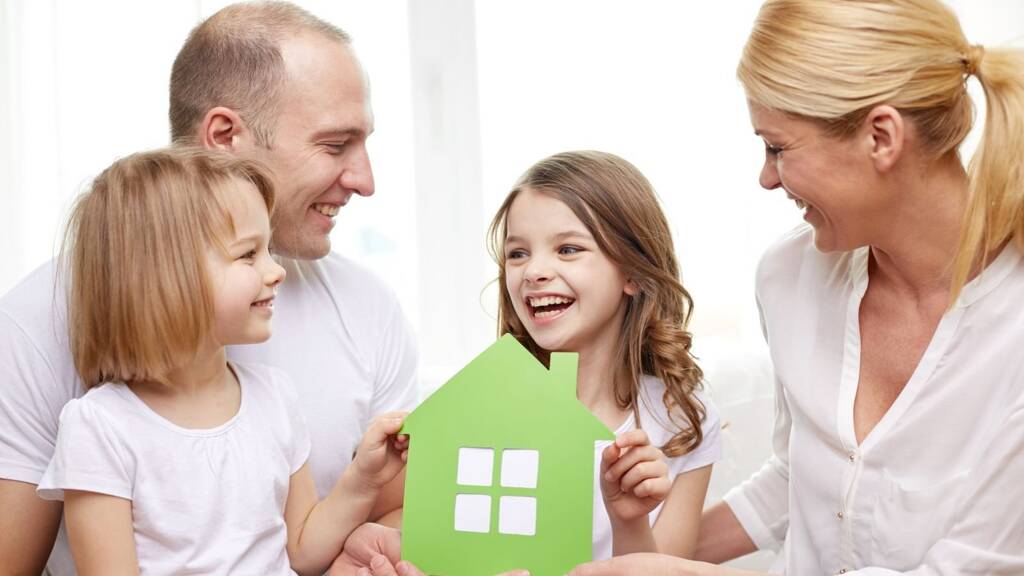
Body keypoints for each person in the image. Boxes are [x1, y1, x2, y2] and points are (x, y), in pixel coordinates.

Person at [570, 0, 1024, 574]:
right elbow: (796, 480)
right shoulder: (789, 276)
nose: (766, 177)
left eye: (778, 148)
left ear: (881, 137)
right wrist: (607, 560)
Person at [0, 3, 418, 574]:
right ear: (224, 135)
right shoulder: (42, 331)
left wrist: (366, 531)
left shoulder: (354, 320)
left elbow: (362, 525)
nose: (365, 182)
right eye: (334, 144)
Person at [340, 151, 723, 575]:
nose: (534, 271)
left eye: (568, 249)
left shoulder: (682, 420)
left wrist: (628, 520)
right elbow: (395, 527)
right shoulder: (472, 405)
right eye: (518, 253)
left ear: (633, 273)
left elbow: (662, 570)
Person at [36, 148, 409, 575]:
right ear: (167, 277)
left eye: (268, 250)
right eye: (248, 254)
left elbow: (302, 551)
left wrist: (363, 479)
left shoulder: (274, 397)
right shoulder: (101, 427)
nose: (276, 271)